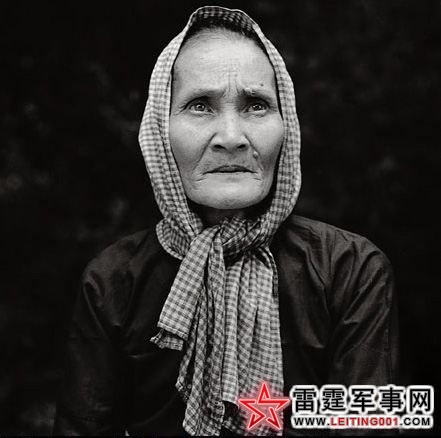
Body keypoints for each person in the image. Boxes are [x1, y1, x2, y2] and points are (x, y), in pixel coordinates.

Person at [53, 6, 398, 436]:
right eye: (200, 106)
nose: (232, 137)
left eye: (256, 105)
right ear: (160, 129)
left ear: (286, 126)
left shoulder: (349, 269)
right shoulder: (114, 281)